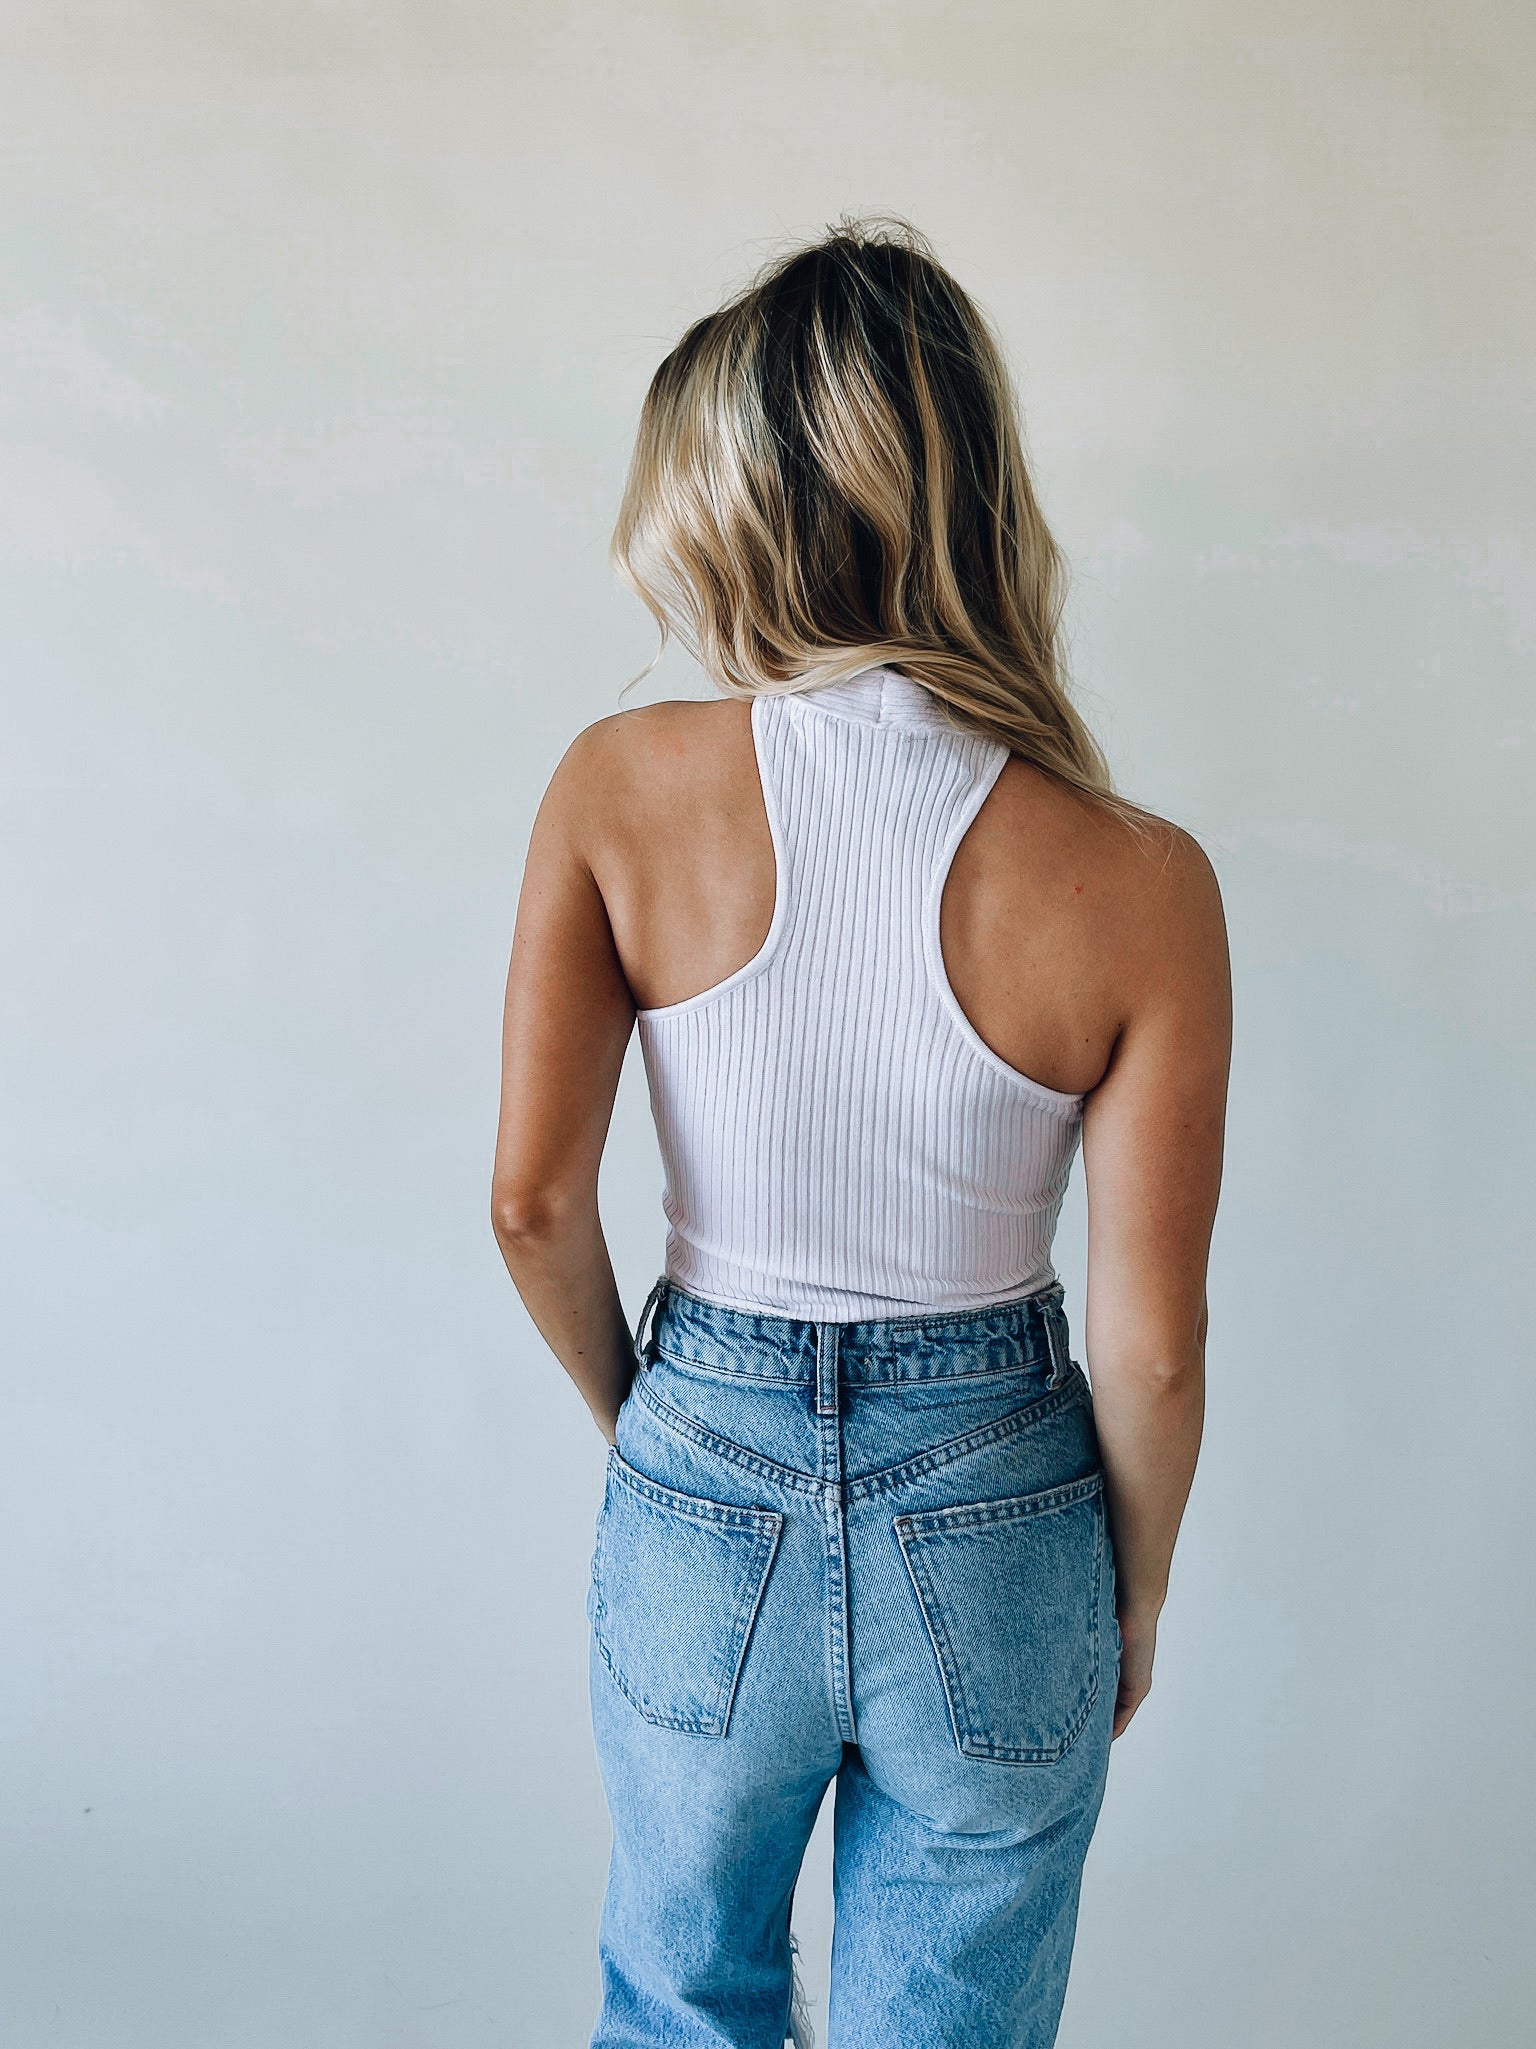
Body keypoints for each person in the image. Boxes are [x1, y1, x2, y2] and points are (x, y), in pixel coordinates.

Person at [491, 215, 1231, 2049]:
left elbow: (531, 1203)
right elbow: (1150, 1348)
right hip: (1001, 1509)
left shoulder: (616, 789)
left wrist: (664, 1429)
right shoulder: (1140, 879)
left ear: (730, 503)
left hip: (703, 1468)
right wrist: (1127, 1591)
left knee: (682, 1998)